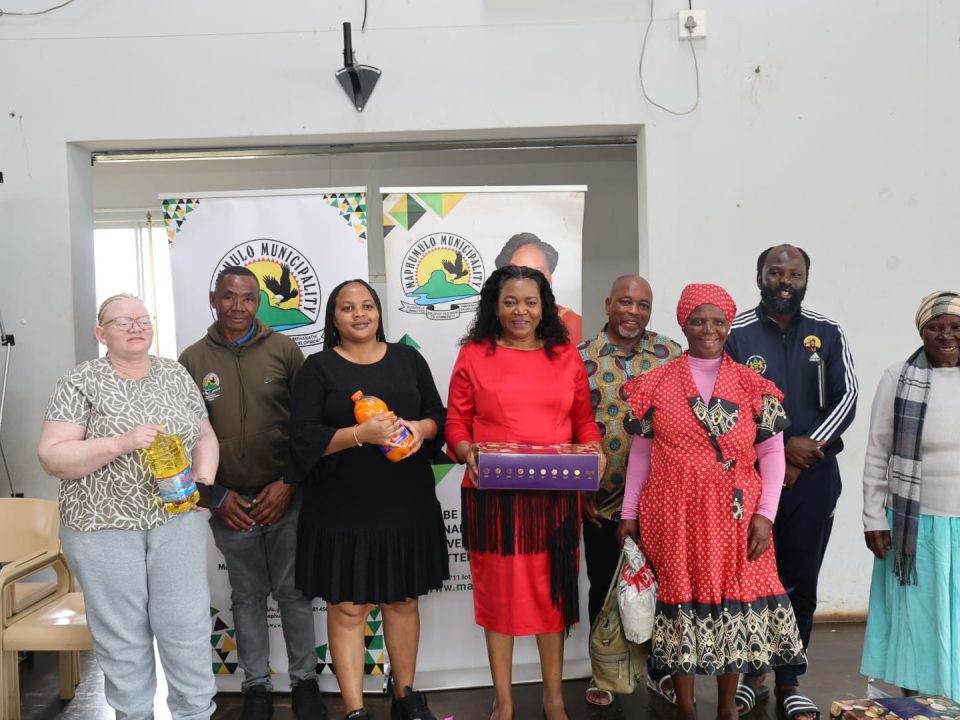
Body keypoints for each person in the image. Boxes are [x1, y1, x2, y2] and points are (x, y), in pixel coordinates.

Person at [617, 283, 805, 720]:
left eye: (718, 321)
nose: (708, 329)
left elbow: (772, 455)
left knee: (732, 600)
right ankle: (686, 707)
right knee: (679, 598)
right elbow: (640, 456)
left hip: (737, 513)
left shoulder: (752, 384)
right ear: (683, 325)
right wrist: (628, 513)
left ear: (728, 325)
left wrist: (766, 515)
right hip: (672, 511)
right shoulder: (656, 383)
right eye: (698, 321)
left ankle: (726, 708)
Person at [37, 294, 219, 720]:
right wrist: (120, 443)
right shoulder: (79, 381)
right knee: (123, 635)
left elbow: (204, 435)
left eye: (142, 319)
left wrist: (203, 481)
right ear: (101, 333)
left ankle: (195, 713)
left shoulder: (175, 373)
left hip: (177, 521)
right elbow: (52, 456)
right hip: (101, 526)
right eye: (122, 322)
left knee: (186, 626)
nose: (135, 327)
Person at [285, 279, 448, 720]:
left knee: (403, 600)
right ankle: (355, 709)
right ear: (333, 319)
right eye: (347, 308)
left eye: (367, 306)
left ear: (378, 312)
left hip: (405, 501)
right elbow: (303, 439)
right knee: (348, 607)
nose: (359, 314)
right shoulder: (318, 368)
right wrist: (360, 434)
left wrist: (420, 429)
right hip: (341, 507)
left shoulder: (408, 359)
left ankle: (405, 698)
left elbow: (439, 416)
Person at [446, 265, 603, 720]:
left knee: (552, 595)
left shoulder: (566, 356)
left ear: (544, 306)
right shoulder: (474, 355)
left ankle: (554, 699)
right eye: (510, 301)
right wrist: (466, 450)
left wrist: (594, 449)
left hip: (554, 497)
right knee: (499, 598)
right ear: (495, 307)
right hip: (494, 500)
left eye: (530, 302)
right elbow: (456, 422)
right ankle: (504, 701)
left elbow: (583, 421)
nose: (521, 311)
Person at [179, 266, 326, 720]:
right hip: (229, 502)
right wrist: (216, 498)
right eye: (228, 297)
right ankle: (256, 687)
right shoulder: (191, 360)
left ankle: (305, 682)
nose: (237, 307)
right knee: (246, 596)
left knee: (293, 592)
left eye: (247, 298)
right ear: (213, 299)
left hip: (284, 494)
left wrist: (289, 484)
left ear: (259, 302)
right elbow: (183, 438)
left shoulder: (285, 351)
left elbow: (308, 426)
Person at [726, 245, 858, 720]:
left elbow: (847, 397)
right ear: (759, 276)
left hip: (815, 476)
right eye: (775, 272)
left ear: (805, 279)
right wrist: (779, 452)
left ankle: (789, 678)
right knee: (749, 578)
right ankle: (751, 676)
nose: (784, 281)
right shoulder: (735, 333)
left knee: (800, 577)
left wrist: (808, 449)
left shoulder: (827, 331)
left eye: (793, 274)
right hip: (752, 479)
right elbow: (725, 404)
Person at [577, 274, 681, 707]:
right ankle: (604, 673)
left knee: (665, 588)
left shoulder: (671, 354)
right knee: (604, 586)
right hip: (601, 499)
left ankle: (661, 670)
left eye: (643, 305)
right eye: (625, 302)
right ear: (607, 304)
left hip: (661, 500)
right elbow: (570, 425)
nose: (633, 312)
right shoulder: (580, 358)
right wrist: (579, 485)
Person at [860, 290, 960, 701]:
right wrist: (873, 517)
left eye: (955, 326)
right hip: (914, 525)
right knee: (915, 616)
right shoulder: (898, 377)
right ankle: (918, 703)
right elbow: (878, 451)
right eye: (936, 327)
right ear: (922, 331)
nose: (947, 335)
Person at [495, 232, 583, 343]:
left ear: (550, 279)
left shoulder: (574, 324)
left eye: (538, 271)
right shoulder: (493, 323)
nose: (530, 280)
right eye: (519, 272)